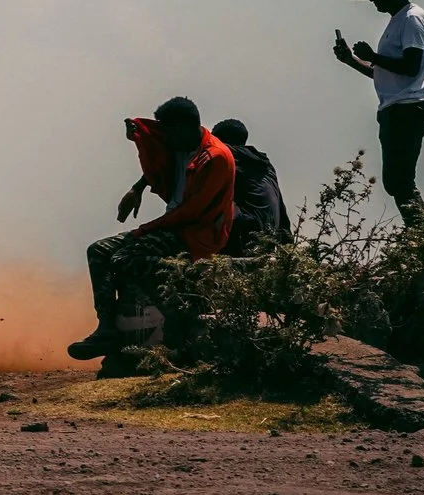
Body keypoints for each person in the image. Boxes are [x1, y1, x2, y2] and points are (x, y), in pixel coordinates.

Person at [68, 97, 236, 361]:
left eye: (168, 131)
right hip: (171, 228)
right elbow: (157, 157)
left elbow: (190, 213)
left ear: (181, 128)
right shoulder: (181, 146)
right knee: (98, 251)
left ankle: (181, 321)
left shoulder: (215, 158)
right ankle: (107, 328)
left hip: (195, 236)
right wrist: (138, 188)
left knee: (126, 259)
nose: (165, 137)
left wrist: (143, 230)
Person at [332, 0, 424, 222]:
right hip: (400, 106)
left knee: (400, 181)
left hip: (408, 107)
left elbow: (411, 66)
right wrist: (351, 60)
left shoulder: (412, 18)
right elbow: (385, 74)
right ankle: (420, 240)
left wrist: (374, 56)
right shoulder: (399, 21)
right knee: (396, 181)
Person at [212, 118, 291, 253]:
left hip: (246, 236)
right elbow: (283, 216)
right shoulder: (267, 166)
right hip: (269, 240)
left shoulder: (231, 156)